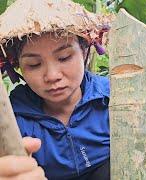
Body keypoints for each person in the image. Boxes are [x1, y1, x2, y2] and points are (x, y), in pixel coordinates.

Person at [0, 0, 111, 179]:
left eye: (64, 57)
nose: (52, 76)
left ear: (84, 52)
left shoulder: (114, 100)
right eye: (34, 65)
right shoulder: (11, 119)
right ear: (18, 66)